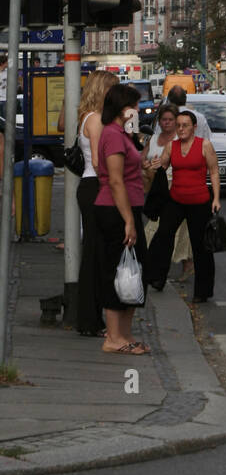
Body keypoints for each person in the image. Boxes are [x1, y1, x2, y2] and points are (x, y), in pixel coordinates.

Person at [93, 83, 150, 355]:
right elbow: (115, 181)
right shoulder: (113, 135)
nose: (138, 110)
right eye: (134, 106)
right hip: (116, 210)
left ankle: (124, 335)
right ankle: (113, 337)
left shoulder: (123, 134)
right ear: (122, 108)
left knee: (133, 271)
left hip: (128, 208)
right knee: (119, 271)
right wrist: (128, 220)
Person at [147, 110, 221, 304]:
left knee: (200, 246)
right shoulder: (172, 146)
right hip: (176, 200)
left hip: (199, 201)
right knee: (163, 235)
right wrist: (154, 164)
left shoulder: (204, 145)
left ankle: (202, 291)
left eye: (185, 125)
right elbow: (162, 165)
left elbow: (213, 172)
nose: (181, 129)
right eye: (178, 125)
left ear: (194, 127)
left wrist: (216, 199)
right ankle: (156, 278)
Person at [74, 69, 116, 337]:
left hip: (88, 186)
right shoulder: (97, 120)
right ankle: (90, 318)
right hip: (97, 186)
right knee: (96, 255)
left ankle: (91, 316)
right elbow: (102, 162)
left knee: (93, 252)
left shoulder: (85, 117)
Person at [143, 103, 194, 278]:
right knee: (155, 227)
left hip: (175, 186)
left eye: (170, 120)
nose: (166, 123)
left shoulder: (180, 140)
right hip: (157, 187)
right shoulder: (154, 138)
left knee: (178, 229)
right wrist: (146, 165)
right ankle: (153, 267)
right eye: (163, 119)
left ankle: (185, 264)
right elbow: (142, 159)